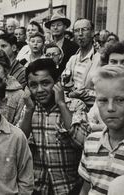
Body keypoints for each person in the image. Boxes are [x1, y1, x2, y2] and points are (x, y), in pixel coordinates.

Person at [18, 58, 90, 195]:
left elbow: (82, 141)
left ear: (57, 83)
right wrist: (28, 111)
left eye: (45, 83)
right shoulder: (29, 109)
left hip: (69, 187)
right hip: (38, 188)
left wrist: (62, 104)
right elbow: (19, 144)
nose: (39, 90)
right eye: (33, 85)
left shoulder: (75, 106)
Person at [78, 65, 124, 195]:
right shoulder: (91, 141)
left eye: (120, 100)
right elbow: (86, 189)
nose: (110, 108)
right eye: (103, 100)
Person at [88, 40, 124, 132]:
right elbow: (89, 121)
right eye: (113, 62)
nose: (119, 66)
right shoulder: (104, 90)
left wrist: (99, 127)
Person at [61, 18, 100, 109]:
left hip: (92, 109)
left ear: (92, 32)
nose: (80, 34)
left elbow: (105, 92)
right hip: (71, 107)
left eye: (84, 29)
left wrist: (84, 94)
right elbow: (64, 84)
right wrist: (71, 94)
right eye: (77, 31)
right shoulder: (73, 59)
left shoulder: (100, 59)